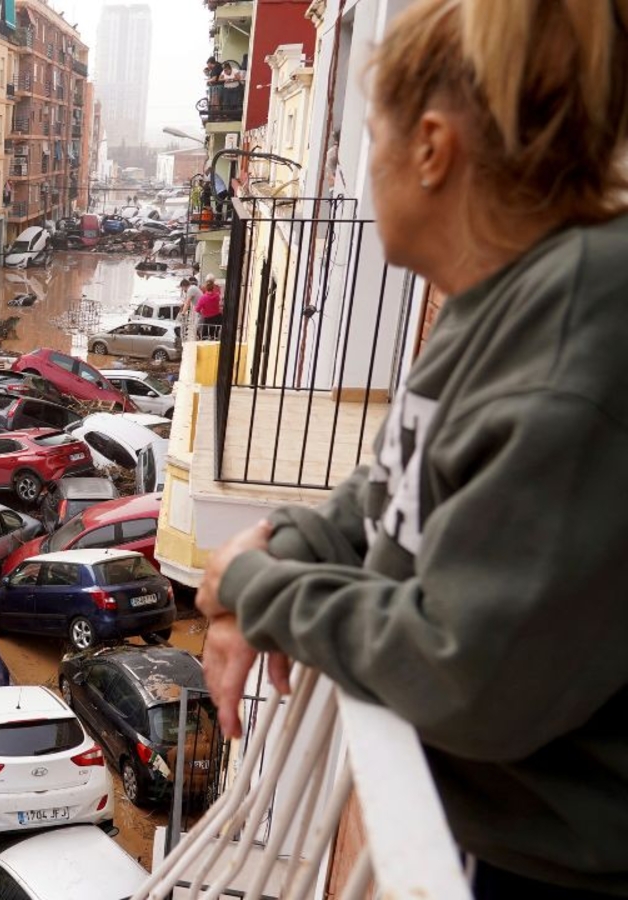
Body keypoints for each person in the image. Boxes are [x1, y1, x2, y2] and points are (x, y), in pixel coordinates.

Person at [196, 1, 628, 897]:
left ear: (432, 149)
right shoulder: (495, 300)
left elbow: (467, 672)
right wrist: (287, 543)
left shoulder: (576, 328)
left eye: (375, 138)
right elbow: (392, 485)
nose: (367, 169)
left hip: (550, 873)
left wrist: (256, 587)